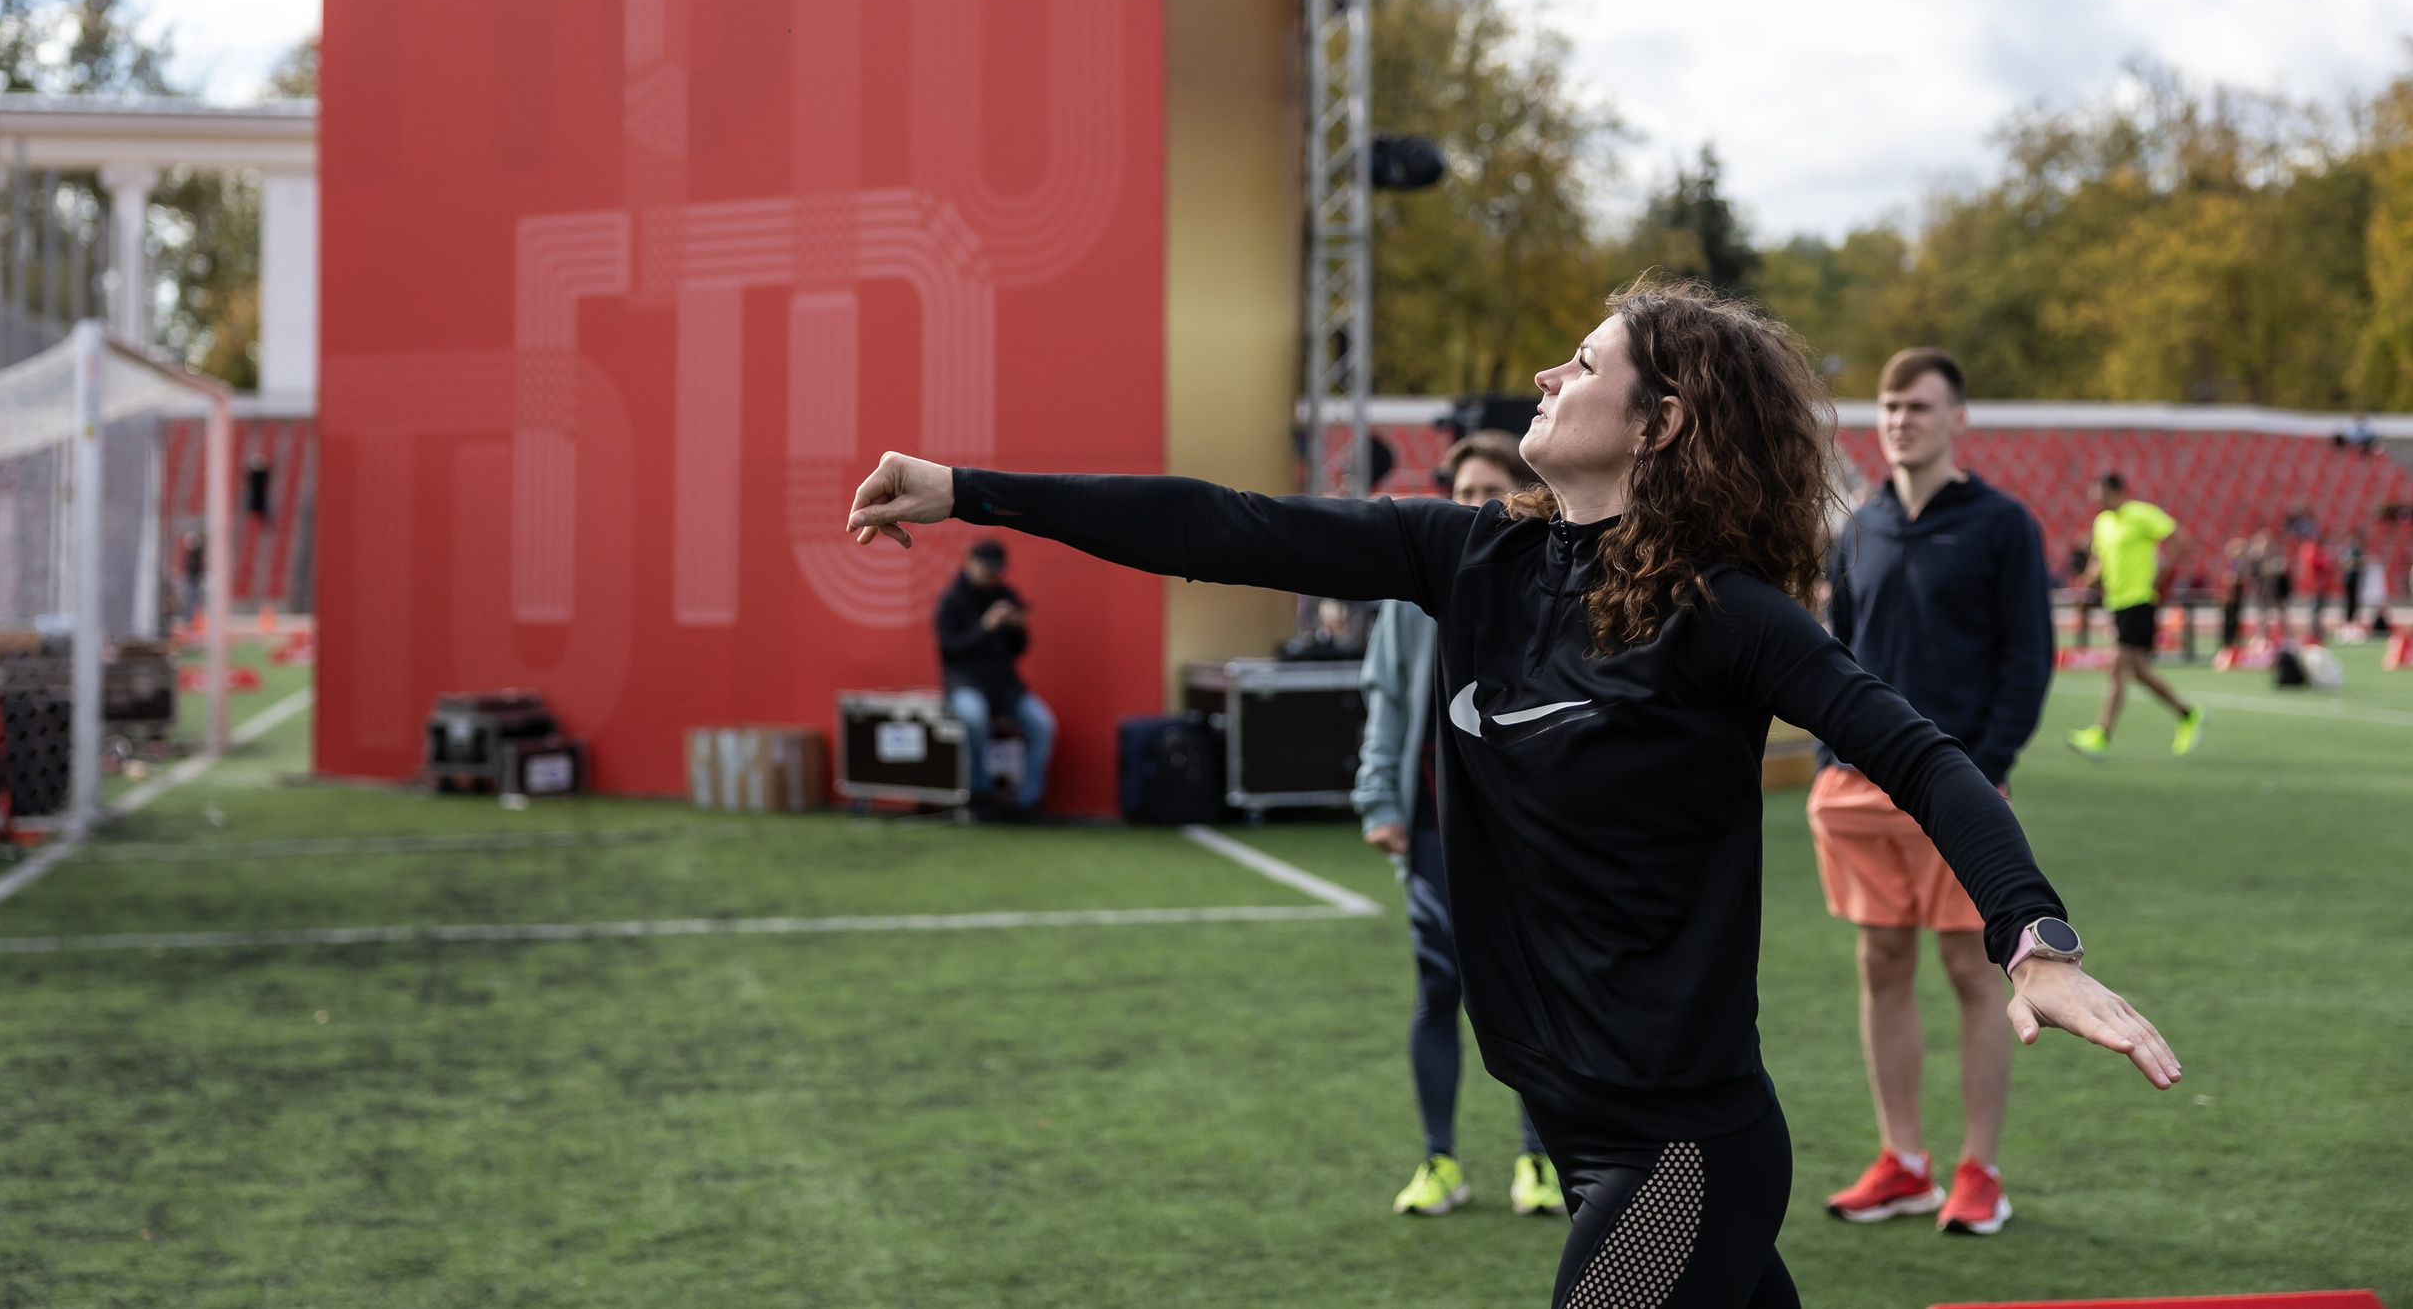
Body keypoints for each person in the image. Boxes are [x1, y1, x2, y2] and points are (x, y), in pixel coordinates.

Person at [850, 279, 2180, 1309]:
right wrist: (970, 489)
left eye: (1587, 363)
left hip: (1679, 1148)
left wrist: (2035, 937)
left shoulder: (1729, 617)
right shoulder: (1477, 557)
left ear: (1657, 425)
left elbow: (1925, 752)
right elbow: (1227, 525)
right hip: (1578, 1118)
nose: (1550, 374)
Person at [1812, 349, 2051, 1236]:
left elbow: (2029, 658)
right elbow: (1832, 653)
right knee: (1880, 962)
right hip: (1858, 792)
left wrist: (1981, 767)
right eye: (1888, 405)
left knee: (1971, 970)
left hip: (1958, 787)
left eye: (1917, 406)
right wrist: (1836, 751)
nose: (1900, 419)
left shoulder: (2001, 525)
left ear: (1958, 418)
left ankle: (1978, 1169)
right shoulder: (1860, 527)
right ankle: (1902, 1160)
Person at [1356, 430, 1561, 1219]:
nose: (1476, 505)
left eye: (1491, 492)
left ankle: (1537, 1164)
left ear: (1523, 502)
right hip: (1435, 824)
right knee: (1440, 982)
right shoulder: (1416, 591)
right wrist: (1379, 800)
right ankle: (1440, 1161)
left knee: (1533, 994)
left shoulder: (1552, 587)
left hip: (1528, 834)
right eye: (1464, 490)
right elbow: (1388, 697)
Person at [2067, 475, 2203, 759]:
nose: (2098, 501)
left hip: (2139, 600)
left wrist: (2163, 575)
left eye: (2102, 495)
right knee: (2139, 671)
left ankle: (2101, 734)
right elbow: (2099, 559)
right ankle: (2188, 714)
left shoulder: (2141, 514)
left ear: (2117, 493)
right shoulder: (2102, 523)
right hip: (2116, 602)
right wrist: (2088, 583)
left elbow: (2179, 538)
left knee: (2117, 667)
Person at [932, 539, 1056, 817]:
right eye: (987, 569)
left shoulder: (1006, 595)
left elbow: (1018, 650)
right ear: (970, 562)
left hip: (1005, 685)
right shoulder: (951, 601)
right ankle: (980, 793)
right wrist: (985, 627)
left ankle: (1027, 802)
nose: (992, 576)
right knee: (974, 717)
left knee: (1043, 724)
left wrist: (1017, 628)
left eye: (996, 570)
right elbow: (949, 650)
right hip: (965, 682)